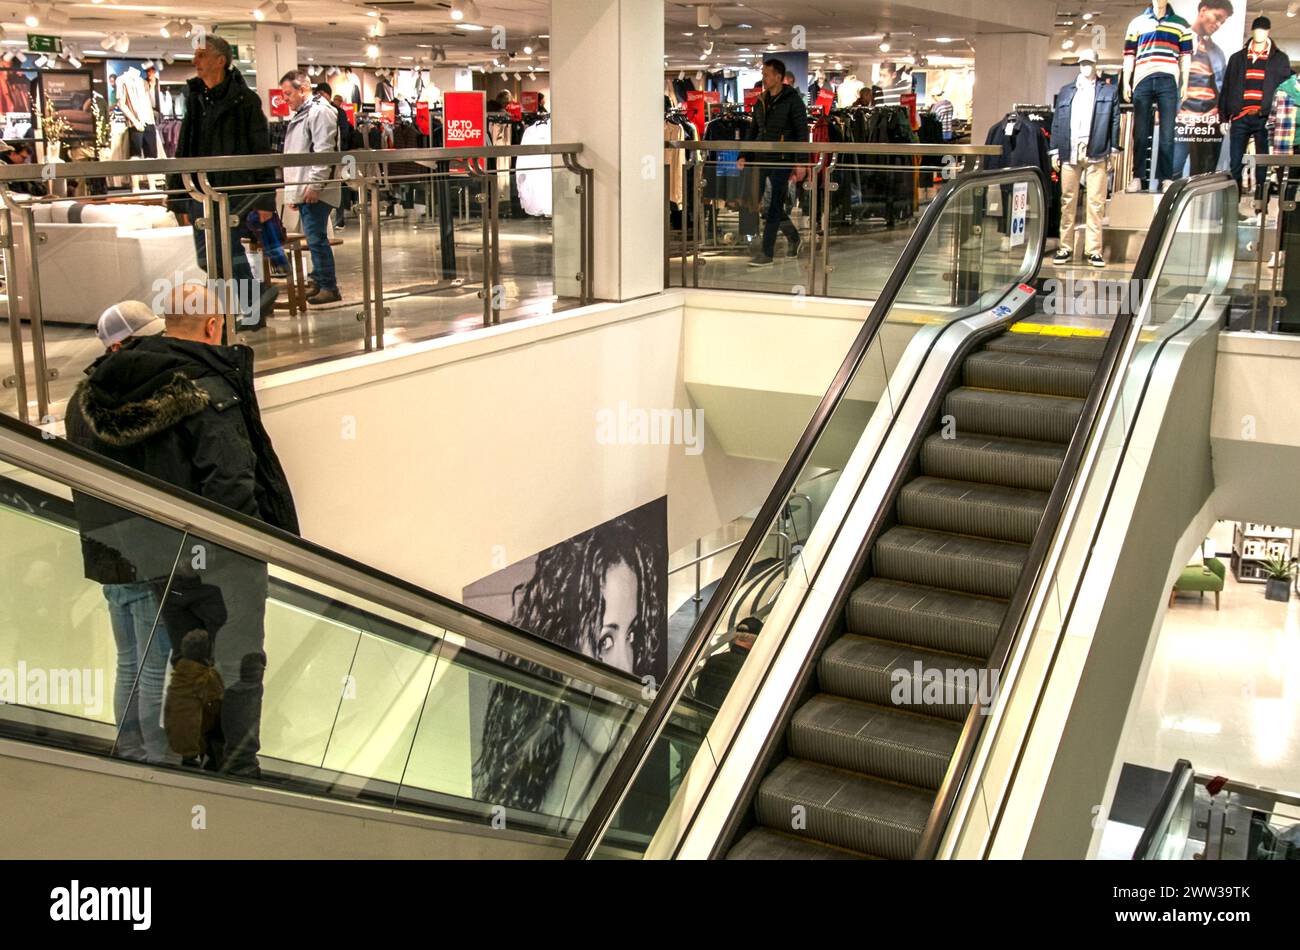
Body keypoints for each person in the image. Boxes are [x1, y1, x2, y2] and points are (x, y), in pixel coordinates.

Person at [65, 283, 298, 777]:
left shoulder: (110, 389)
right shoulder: (208, 390)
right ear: (213, 327)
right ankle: (235, 772)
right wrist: (245, 552)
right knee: (237, 668)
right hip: (219, 564)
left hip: (157, 559)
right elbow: (232, 484)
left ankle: (184, 760)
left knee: (182, 665)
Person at [473, 517, 664, 820]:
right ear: (560, 647)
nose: (627, 667)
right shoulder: (524, 810)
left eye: (630, 636)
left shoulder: (627, 806)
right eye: (604, 641)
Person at [165, 35, 279, 331]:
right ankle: (242, 311)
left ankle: (246, 309)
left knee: (222, 253)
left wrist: (266, 199)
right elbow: (183, 149)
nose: (195, 62)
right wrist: (176, 196)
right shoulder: (195, 98)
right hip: (198, 190)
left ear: (220, 60)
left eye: (202, 56)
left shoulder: (245, 101)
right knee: (209, 258)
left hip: (233, 191)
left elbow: (260, 150)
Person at [736, 58, 808, 267]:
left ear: (778, 76)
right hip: (761, 159)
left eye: (766, 75)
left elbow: (802, 132)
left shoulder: (793, 100)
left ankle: (766, 253)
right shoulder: (761, 101)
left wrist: (801, 162)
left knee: (775, 204)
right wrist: (744, 155)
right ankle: (794, 237)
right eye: (763, 75)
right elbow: (753, 131)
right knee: (761, 206)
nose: (764, 78)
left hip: (782, 159)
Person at [280, 70, 342, 305]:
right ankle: (318, 280)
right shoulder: (303, 113)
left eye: (288, 93)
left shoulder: (319, 112)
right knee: (313, 237)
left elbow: (323, 151)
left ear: (302, 89)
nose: (285, 99)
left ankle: (328, 285)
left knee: (316, 238)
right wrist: (294, 192)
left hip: (316, 189)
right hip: (305, 186)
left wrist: (315, 186)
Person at [1172, 0, 1232, 178]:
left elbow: (1221, 89)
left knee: (1203, 177)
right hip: (1180, 121)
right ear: (1203, 10)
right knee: (1172, 172)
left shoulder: (1218, 53)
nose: (1218, 24)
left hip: (1208, 125)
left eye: (1223, 21)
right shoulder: (1178, 44)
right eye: (1217, 17)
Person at [316, 81, 358, 228]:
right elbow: (343, 133)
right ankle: (337, 220)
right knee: (337, 185)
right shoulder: (337, 112)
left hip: (334, 156)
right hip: (338, 155)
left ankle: (334, 221)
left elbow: (342, 134)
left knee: (334, 186)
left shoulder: (331, 111)